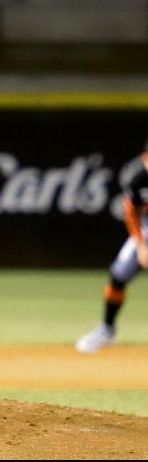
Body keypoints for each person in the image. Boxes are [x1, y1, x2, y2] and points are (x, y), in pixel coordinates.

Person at [76, 150, 148, 353]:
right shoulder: (140, 180)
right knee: (119, 274)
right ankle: (107, 329)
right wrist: (141, 245)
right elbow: (132, 214)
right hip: (146, 228)